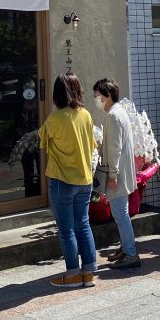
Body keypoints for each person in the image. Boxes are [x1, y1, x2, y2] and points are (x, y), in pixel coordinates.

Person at [39, 73, 97, 287]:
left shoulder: (55, 118)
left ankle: (73, 274)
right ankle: (89, 272)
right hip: (85, 179)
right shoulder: (86, 115)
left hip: (62, 179)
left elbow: (43, 140)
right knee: (83, 224)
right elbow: (92, 145)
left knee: (66, 229)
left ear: (57, 94)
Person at [93, 78, 141, 270]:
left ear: (108, 95)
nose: (96, 99)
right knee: (121, 213)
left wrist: (112, 175)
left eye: (98, 96)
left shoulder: (113, 116)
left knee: (120, 214)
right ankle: (126, 248)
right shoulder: (119, 112)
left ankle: (130, 253)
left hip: (118, 174)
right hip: (124, 172)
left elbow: (114, 148)